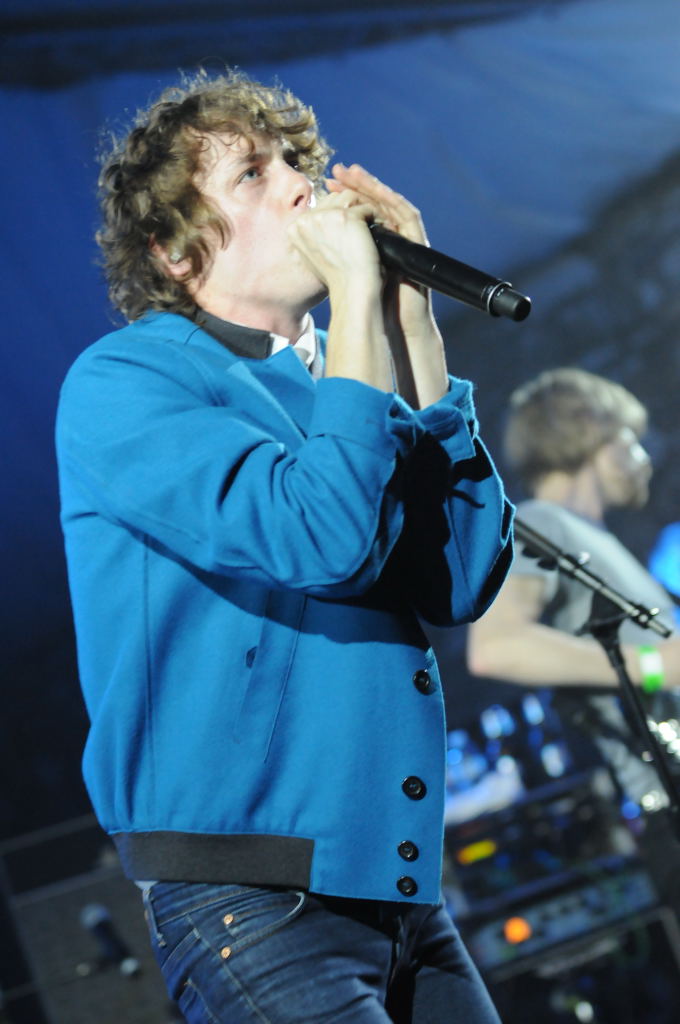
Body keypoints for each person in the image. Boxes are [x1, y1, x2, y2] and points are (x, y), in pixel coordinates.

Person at [55, 69, 513, 1023]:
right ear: (175, 249)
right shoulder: (126, 381)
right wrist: (355, 306)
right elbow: (320, 537)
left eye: (297, 161)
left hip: (394, 891)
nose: (304, 184)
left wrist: (412, 330)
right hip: (249, 899)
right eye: (254, 174)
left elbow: (460, 579)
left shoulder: (338, 386)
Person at [467, 368, 680, 851]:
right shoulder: (544, 523)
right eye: (631, 440)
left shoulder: (590, 536)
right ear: (590, 428)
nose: (645, 459)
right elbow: (496, 647)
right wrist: (653, 666)